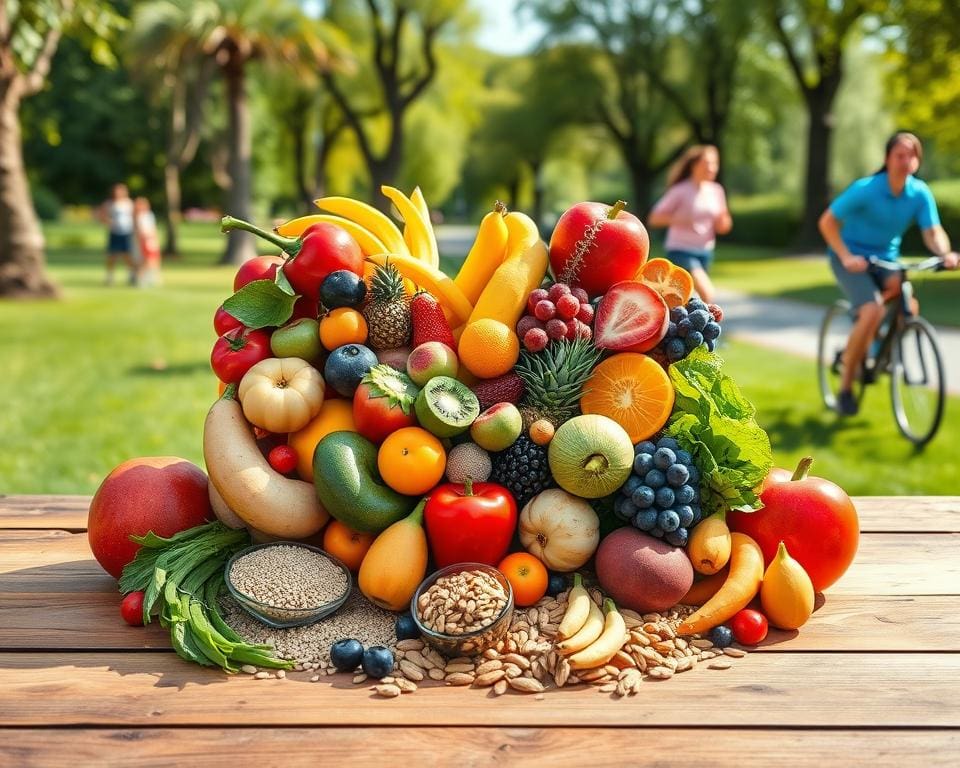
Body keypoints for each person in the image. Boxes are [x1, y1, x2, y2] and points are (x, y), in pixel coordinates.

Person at [819, 131, 959, 417]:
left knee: (909, 305)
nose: (906, 161)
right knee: (871, 310)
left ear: (918, 162)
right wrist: (846, 256)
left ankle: (873, 346)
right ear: (887, 159)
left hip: (886, 260)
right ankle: (846, 386)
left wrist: (944, 253)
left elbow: (932, 231)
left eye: (912, 155)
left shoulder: (919, 193)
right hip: (850, 258)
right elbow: (828, 222)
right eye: (900, 155)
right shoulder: (867, 189)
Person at [648, 144, 733, 303]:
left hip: (705, 251)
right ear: (694, 165)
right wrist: (680, 219)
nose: (712, 168)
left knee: (687, 298)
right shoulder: (680, 191)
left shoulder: (716, 191)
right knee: (707, 294)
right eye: (708, 163)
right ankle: (710, 326)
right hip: (681, 251)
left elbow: (724, 224)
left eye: (715, 163)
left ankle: (686, 326)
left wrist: (723, 223)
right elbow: (654, 218)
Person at [100, 183, 136, 286]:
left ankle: (131, 275)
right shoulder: (109, 203)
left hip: (127, 232)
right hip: (115, 232)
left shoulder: (128, 203)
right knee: (112, 255)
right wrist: (109, 222)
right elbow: (102, 215)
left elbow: (134, 216)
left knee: (127, 255)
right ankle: (110, 277)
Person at [134, 197, 162, 287]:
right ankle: (141, 278)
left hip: (151, 239)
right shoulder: (139, 216)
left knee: (154, 259)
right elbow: (140, 231)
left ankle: (152, 277)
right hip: (145, 240)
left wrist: (155, 239)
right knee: (147, 260)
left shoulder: (149, 215)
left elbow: (153, 228)